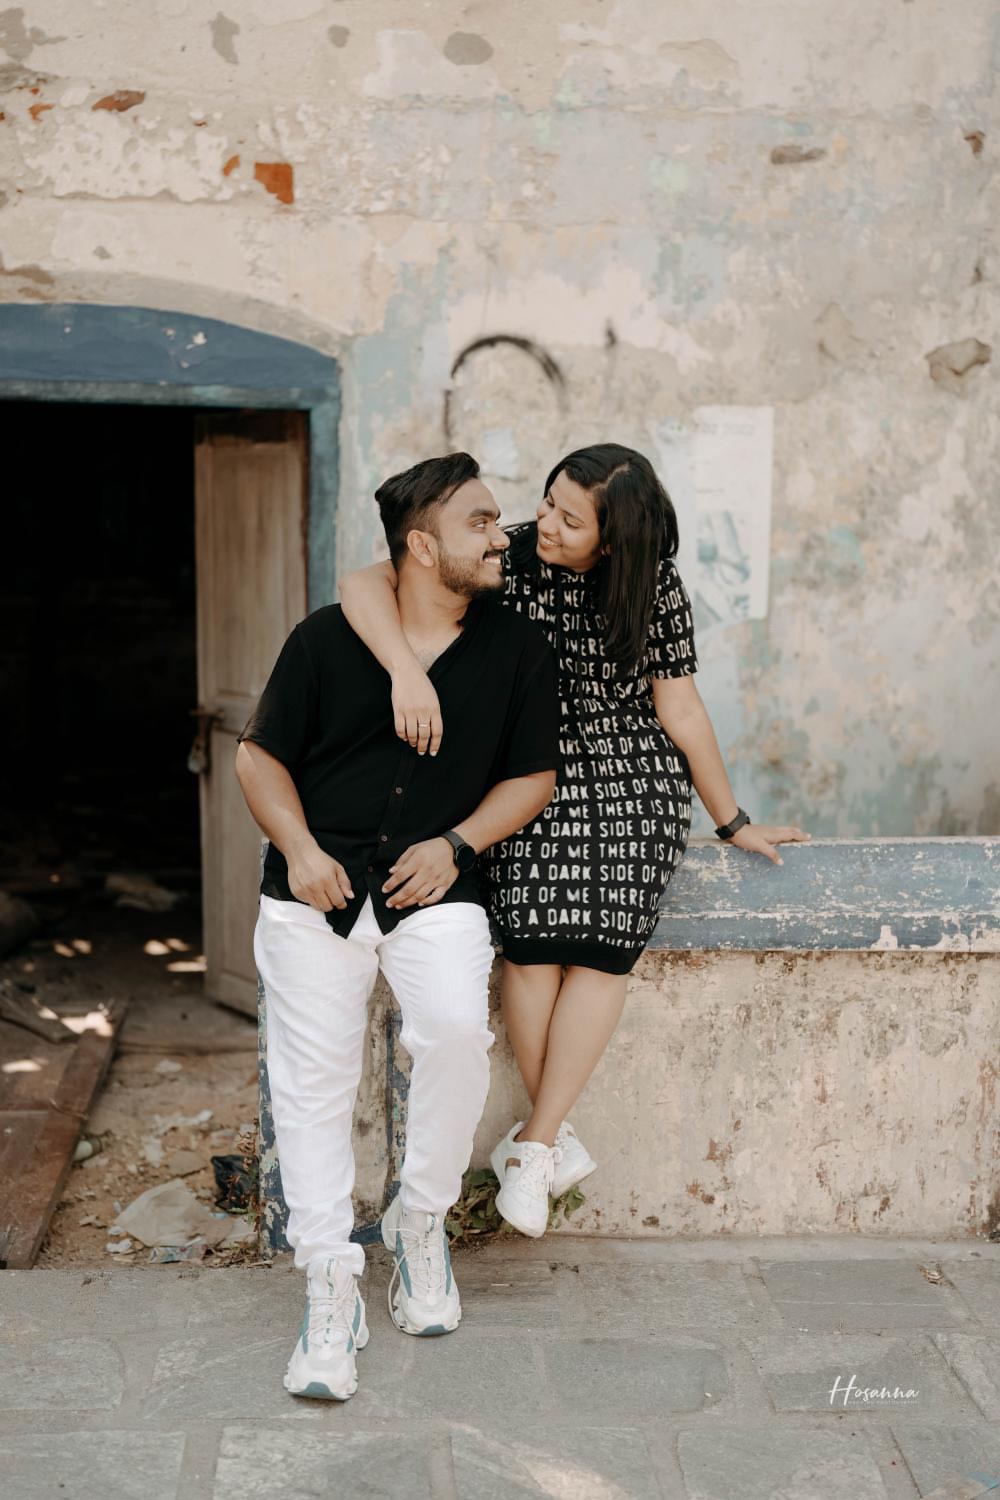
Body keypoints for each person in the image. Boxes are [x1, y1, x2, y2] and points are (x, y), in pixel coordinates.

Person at [340, 442, 810, 1239]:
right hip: (530, 766)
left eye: (569, 517)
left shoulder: (654, 586)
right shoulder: (511, 555)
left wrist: (731, 820)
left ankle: (535, 1143)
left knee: (602, 946)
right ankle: (549, 1142)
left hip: (632, 774)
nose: (545, 522)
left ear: (614, 539)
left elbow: (679, 708)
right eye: (549, 502)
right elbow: (362, 585)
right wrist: (404, 673)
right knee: (531, 942)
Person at [235, 452, 559, 1403]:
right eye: (479, 522)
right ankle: (329, 1282)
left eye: (498, 519)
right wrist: (298, 848)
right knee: (313, 1084)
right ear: (420, 547)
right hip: (314, 888)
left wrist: (458, 843)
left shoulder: (516, 646)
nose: (501, 537)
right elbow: (258, 757)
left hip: (438, 885)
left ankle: (420, 1221)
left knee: (455, 1031)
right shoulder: (326, 639)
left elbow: (533, 776)